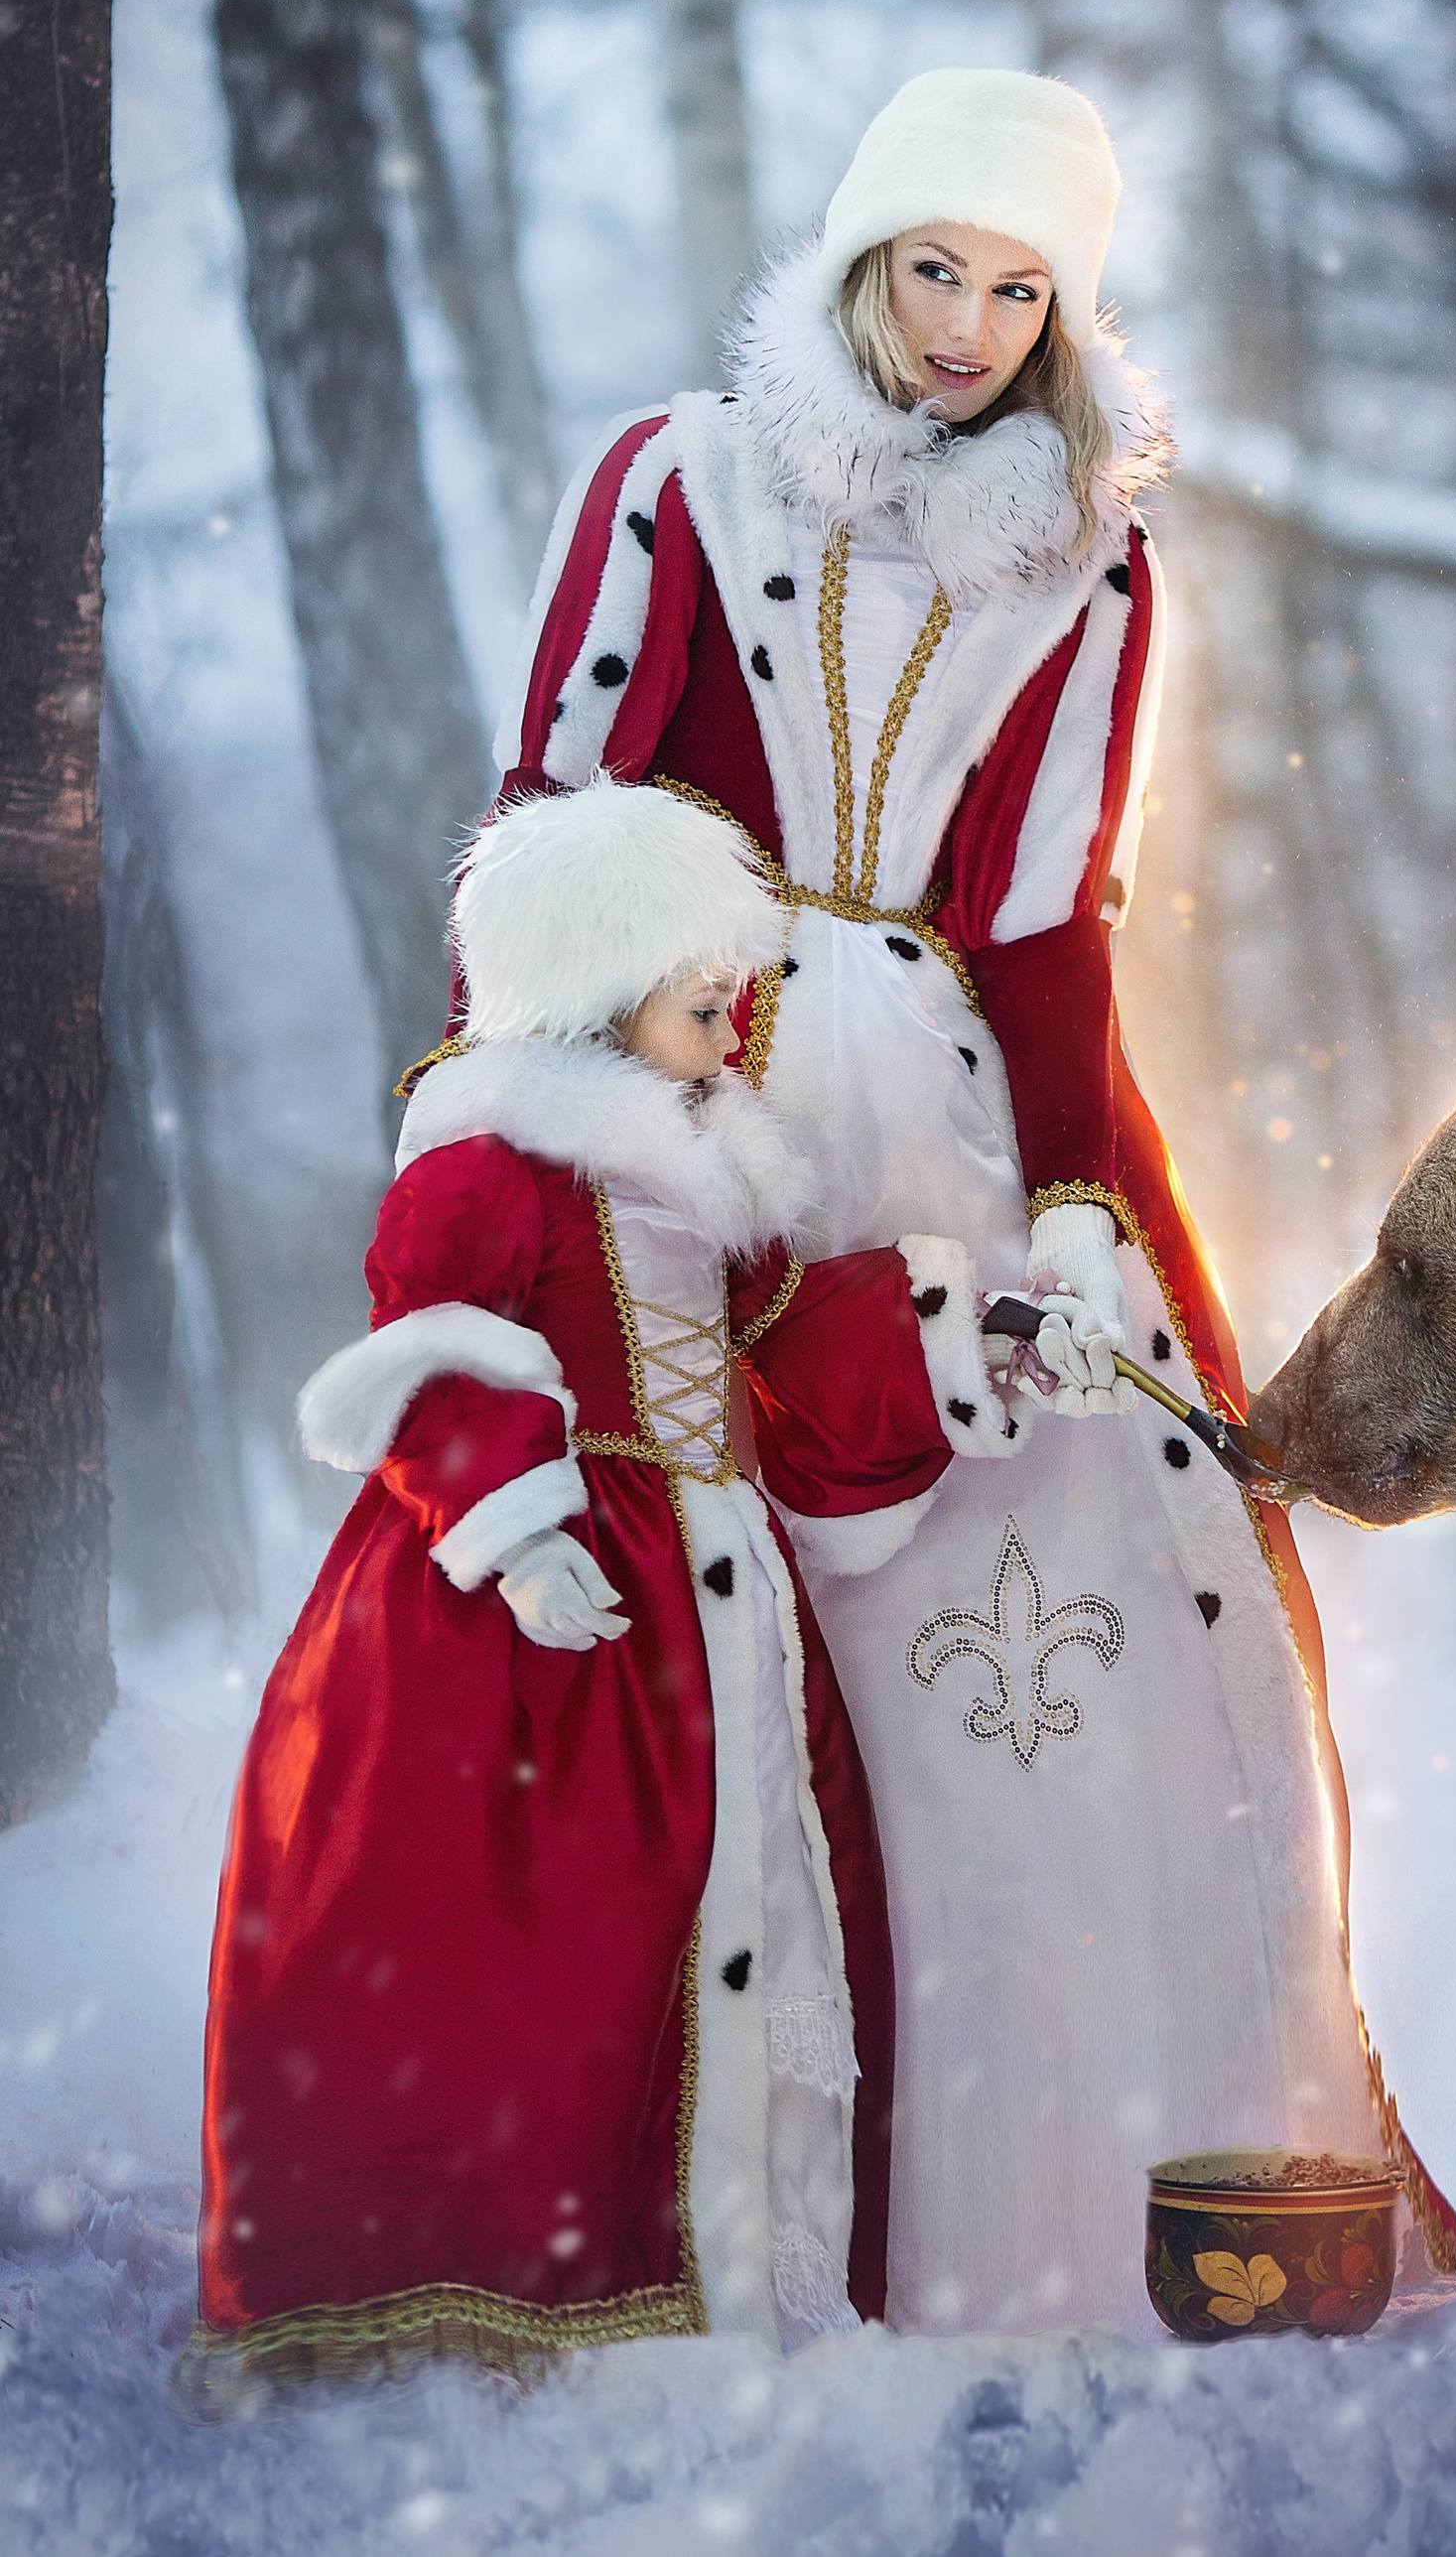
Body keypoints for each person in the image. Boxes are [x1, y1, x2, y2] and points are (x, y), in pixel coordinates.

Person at [488, 67, 1456, 2333]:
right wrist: (551, 1086)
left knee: (1098, 1588)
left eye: (1020, 288)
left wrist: (1066, 1204)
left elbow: (1043, 917)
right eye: (936, 266)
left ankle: (1067, 2190)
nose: (967, 325)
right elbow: (555, 805)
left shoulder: (1090, 553)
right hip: (685, 1060)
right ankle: (708, 2208)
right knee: (698, 1594)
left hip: (951, 1094)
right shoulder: (675, 478)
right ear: (859, 257)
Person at [190, 780, 1046, 2386]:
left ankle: (746, 2270)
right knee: (552, 1936)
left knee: (749, 1913)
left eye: (735, 974)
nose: (733, 1000)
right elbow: (427, 1334)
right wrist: (516, 1523)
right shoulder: (492, 1161)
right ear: (594, 973)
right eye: (694, 975)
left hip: (718, 1612)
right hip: (542, 1613)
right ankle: (549, 2283)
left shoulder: (708, 1185)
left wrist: (970, 1325)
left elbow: (784, 1350)